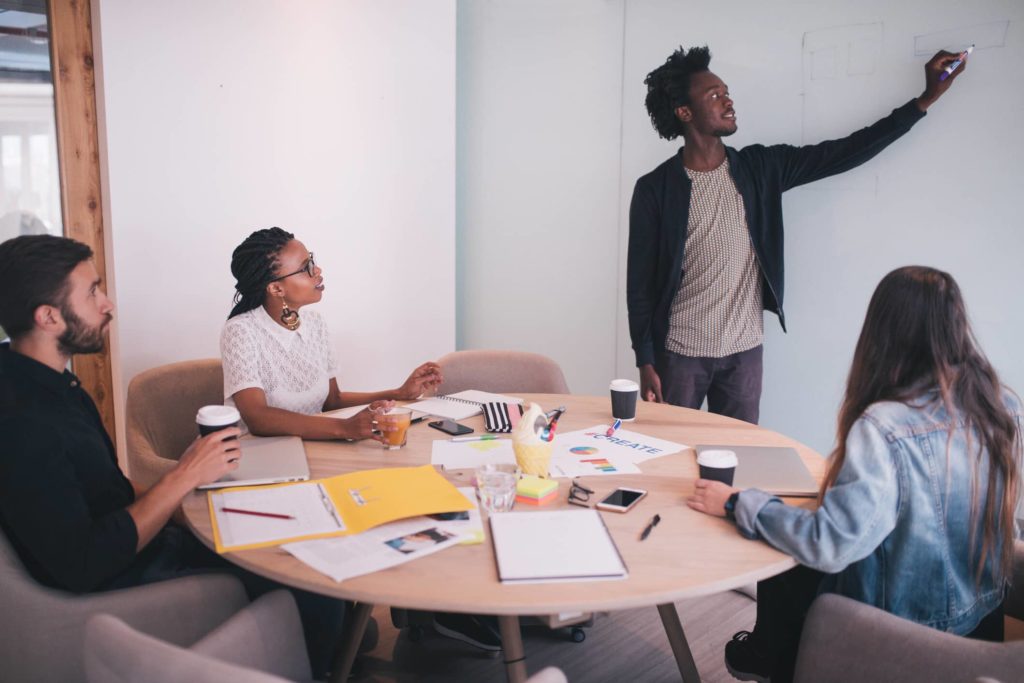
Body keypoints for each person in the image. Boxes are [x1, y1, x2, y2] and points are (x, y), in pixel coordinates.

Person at [0, 235, 353, 678]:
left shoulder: (54, 384)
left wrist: (195, 508)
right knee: (306, 574)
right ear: (49, 317)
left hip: (145, 540)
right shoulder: (23, 423)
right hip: (119, 574)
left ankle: (332, 638)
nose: (108, 305)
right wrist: (184, 476)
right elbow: (83, 562)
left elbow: (108, 485)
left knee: (295, 536)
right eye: (92, 292)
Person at [687, 266, 1022, 682]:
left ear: (883, 335)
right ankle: (767, 658)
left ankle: (770, 660)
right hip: (982, 624)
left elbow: (831, 545)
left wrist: (739, 501)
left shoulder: (884, 427)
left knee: (781, 549)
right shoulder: (1001, 407)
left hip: (893, 632)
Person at [628, 46, 967, 423]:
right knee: (670, 453)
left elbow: (844, 152)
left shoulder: (761, 169)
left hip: (744, 354)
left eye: (726, 91)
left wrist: (924, 101)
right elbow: (639, 285)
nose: (728, 101)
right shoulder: (654, 189)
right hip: (680, 355)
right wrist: (645, 359)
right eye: (715, 95)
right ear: (685, 113)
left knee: (737, 460)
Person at [221, 227, 443, 440]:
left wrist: (399, 392)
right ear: (276, 289)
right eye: (306, 267)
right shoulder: (241, 331)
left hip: (315, 446)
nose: (317, 271)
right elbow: (258, 418)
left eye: (312, 261)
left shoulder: (315, 324)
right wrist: (344, 428)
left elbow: (332, 401)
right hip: (260, 454)